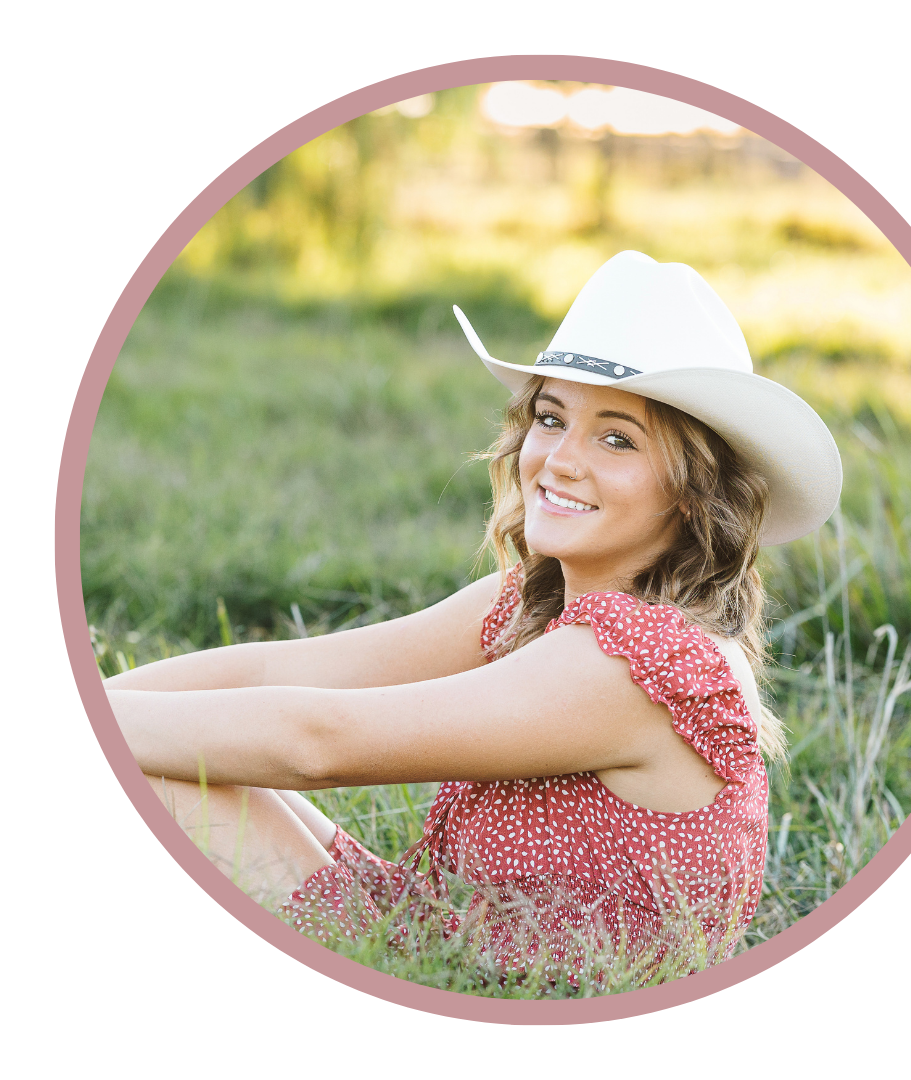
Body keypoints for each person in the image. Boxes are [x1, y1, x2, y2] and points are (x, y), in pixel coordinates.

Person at [105, 251, 842, 984]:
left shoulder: (639, 663)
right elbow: (271, 670)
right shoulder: (534, 599)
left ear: (692, 491)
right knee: (174, 767)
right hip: (444, 942)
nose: (558, 459)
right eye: (550, 419)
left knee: (158, 780)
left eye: (617, 438)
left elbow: (316, 744)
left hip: (497, 991)